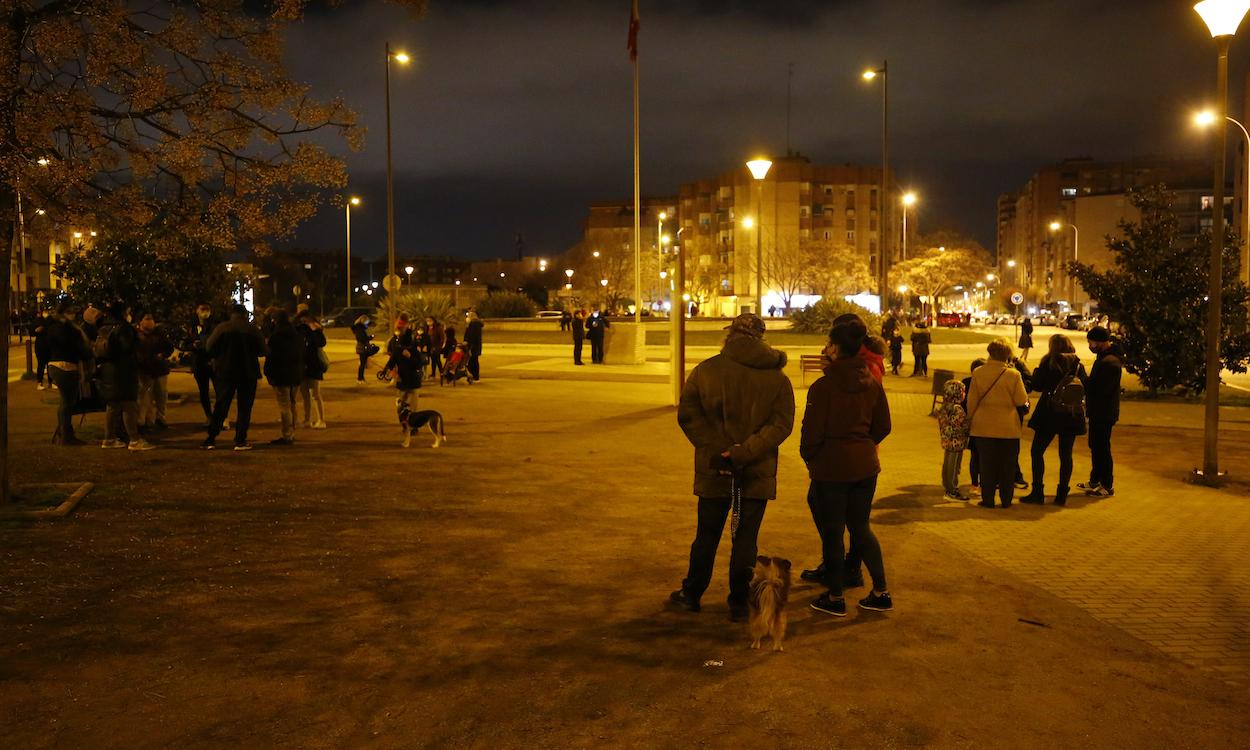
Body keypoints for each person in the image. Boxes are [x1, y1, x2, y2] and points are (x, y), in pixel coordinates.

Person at [671, 313, 795, 621]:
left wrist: (720, 450)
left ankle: (691, 593)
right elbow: (781, 424)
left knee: (707, 534)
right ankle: (739, 602)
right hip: (755, 471)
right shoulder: (778, 378)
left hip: (716, 469)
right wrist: (746, 451)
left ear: (731, 335)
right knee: (746, 539)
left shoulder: (706, 371)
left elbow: (688, 415)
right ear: (761, 337)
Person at [802, 315, 893, 616]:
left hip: (832, 468)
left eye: (829, 343)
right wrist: (863, 444)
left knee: (832, 532)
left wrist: (813, 457)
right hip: (865, 466)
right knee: (861, 527)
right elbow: (883, 425)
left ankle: (836, 596)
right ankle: (880, 590)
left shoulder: (824, 387)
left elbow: (811, 433)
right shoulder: (871, 381)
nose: (826, 348)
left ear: (837, 348)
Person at [1021, 334, 1088, 506]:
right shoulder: (1078, 365)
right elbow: (1084, 386)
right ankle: (1061, 494)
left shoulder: (1050, 362)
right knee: (1066, 455)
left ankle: (1038, 492)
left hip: (1049, 413)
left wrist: (1032, 374)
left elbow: (1037, 385)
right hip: (1070, 413)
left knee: (1037, 451)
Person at [967, 338, 1029, 508]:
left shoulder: (978, 373)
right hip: (1008, 428)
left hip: (983, 427)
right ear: (1007, 354)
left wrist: (969, 421)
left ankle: (988, 500)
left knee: (986, 465)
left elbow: (971, 402)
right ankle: (1006, 499)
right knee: (1008, 466)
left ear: (990, 352)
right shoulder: (1013, 375)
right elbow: (1021, 400)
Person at [202, 305, 266, 451]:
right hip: (248, 373)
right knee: (244, 407)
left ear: (232, 314)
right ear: (244, 314)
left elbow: (209, 347)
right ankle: (240, 440)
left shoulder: (222, 328)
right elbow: (263, 350)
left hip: (226, 371)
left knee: (221, 405)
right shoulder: (252, 329)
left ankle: (211, 438)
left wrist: (220, 356)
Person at [96, 302, 154, 451]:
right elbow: (127, 349)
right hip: (123, 371)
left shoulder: (104, 327)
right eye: (128, 311)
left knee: (113, 405)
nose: (129, 314)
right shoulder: (124, 328)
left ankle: (108, 439)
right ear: (122, 313)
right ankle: (134, 440)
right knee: (129, 404)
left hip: (108, 370)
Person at [1079, 326, 1122, 497]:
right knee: (1095, 446)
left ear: (1099, 342)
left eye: (1091, 342)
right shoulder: (1103, 358)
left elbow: (1100, 389)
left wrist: (1083, 378)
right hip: (1098, 411)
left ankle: (1107, 485)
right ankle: (1094, 480)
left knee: (1102, 448)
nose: (1090, 345)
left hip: (1104, 412)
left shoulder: (1110, 362)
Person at [45, 303, 92, 445]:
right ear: (64, 313)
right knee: (68, 402)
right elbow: (78, 347)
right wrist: (87, 354)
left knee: (64, 402)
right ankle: (66, 435)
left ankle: (63, 432)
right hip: (66, 366)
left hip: (54, 365)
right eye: (70, 311)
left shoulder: (52, 326)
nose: (73, 314)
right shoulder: (68, 328)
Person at [263, 310, 305, 445]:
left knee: (285, 406)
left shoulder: (276, 336)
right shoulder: (296, 335)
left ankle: (287, 434)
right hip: (295, 375)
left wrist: (268, 372)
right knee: (292, 404)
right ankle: (292, 432)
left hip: (281, 376)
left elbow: (271, 356)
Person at [135, 313, 174, 431]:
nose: (149, 322)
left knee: (161, 395)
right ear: (140, 322)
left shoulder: (159, 334)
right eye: (146, 319)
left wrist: (162, 355)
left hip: (160, 369)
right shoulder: (136, 335)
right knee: (144, 396)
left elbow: (169, 347)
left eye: (150, 319)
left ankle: (160, 418)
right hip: (145, 369)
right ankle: (144, 421)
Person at [937, 379, 971, 501]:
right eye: (963, 392)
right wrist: (968, 424)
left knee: (947, 463)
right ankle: (952, 490)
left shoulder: (945, 407)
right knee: (954, 466)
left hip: (947, 440)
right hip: (956, 442)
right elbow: (960, 426)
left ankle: (947, 485)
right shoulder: (957, 409)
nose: (964, 394)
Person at [295, 310, 327, 429]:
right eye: (302, 321)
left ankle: (321, 419)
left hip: (314, 366)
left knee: (315, 394)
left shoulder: (315, 331)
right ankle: (307, 419)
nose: (304, 323)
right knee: (304, 395)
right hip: (302, 366)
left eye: (306, 321)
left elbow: (321, 343)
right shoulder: (299, 331)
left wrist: (316, 330)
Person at [187, 303, 218, 426]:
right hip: (199, 363)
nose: (205, 312)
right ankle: (209, 416)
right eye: (202, 310)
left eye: (207, 310)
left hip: (213, 362)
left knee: (219, 391)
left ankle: (221, 416)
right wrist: (192, 346)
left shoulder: (215, 326)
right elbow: (185, 343)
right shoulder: (192, 327)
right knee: (203, 392)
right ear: (197, 312)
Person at [385, 314, 423, 406]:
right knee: (401, 406)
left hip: (413, 382)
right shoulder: (398, 349)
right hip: (402, 381)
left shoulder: (413, 349)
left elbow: (418, 364)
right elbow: (392, 361)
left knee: (412, 408)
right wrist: (387, 370)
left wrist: (410, 356)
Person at [961, 358, 987, 493]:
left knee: (975, 455)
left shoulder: (966, 382)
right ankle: (984, 483)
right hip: (984, 424)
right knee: (984, 456)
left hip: (972, 424)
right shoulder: (985, 383)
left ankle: (974, 484)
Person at [351, 314, 374, 384]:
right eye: (366, 322)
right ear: (363, 321)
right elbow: (362, 339)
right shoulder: (360, 329)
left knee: (363, 364)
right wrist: (370, 337)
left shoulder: (360, 328)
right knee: (362, 364)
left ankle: (361, 378)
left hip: (361, 347)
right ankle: (360, 378)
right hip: (362, 348)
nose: (367, 324)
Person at [33, 309, 51, 390]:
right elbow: (33, 331)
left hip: (49, 345)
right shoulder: (38, 320)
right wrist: (37, 330)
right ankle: (39, 382)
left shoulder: (50, 320)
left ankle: (51, 382)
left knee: (50, 364)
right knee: (41, 364)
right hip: (40, 345)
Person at [464, 310, 484, 380]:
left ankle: (474, 375)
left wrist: (468, 342)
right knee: (473, 360)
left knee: (473, 361)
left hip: (473, 346)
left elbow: (472, 335)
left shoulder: (474, 324)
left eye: (469, 316)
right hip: (475, 346)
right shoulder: (474, 324)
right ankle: (474, 375)